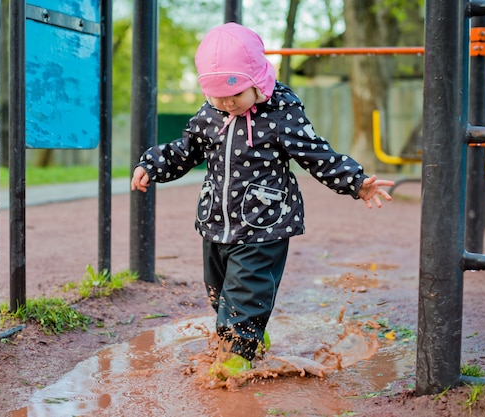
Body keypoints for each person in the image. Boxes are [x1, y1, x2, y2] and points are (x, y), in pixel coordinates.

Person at [131, 22, 394, 379]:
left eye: (234, 95)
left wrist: (356, 182)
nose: (225, 104)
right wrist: (153, 164)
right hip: (216, 224)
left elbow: (316, 154)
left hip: (264, 225)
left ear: (257, 81)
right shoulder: (210, 115)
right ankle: (253, 336)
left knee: (244, 292)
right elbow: (185, 151)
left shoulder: (282, 115)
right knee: (220, 293)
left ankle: (235, 361)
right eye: (216, 96)